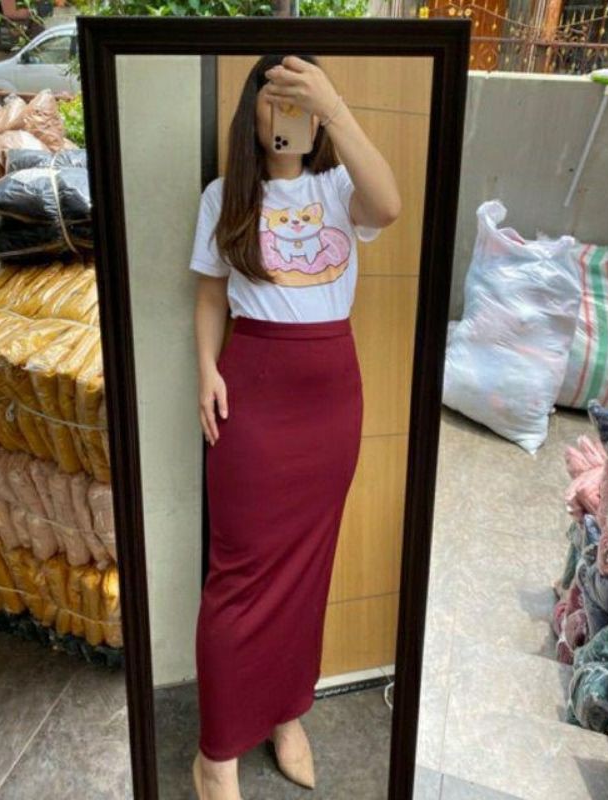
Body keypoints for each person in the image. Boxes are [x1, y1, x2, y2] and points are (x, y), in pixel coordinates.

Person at [189, 53, 401, 800]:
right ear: (252, 113)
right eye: (276, 101)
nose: (289, 117)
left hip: (331, 397)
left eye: (301, 103)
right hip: (254, 390)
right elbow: (209, 295)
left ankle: (286, 713)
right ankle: (216, 751)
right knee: (239, 574)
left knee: (309, 571)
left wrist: (335, 105)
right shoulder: (224, 197)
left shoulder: (339, 188)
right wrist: (206, 371)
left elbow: (391, 206)